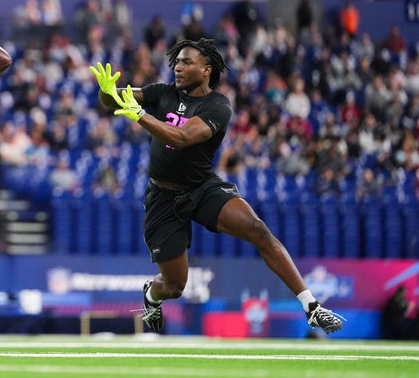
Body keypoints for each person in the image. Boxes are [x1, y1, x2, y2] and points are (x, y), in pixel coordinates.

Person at [89, 38, 344, 334]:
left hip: (201, 188)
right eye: (177, 62)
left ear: (206, 69)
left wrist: (140, 115)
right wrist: (107, 93)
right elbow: (116, 100)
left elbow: (182, 137)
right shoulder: (162, 92)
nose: (178, 67)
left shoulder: (218, 105)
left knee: (258, 229)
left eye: (187, 62)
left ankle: (311, 306)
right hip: (162, 196)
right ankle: (151, 294)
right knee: (173, 287)